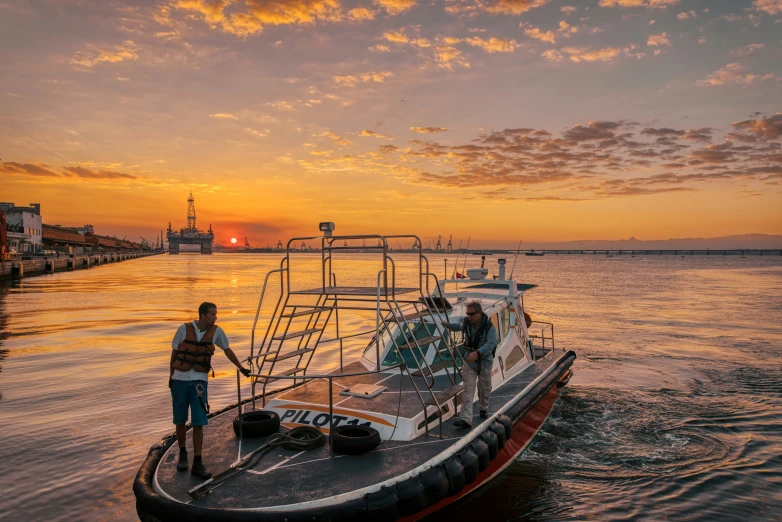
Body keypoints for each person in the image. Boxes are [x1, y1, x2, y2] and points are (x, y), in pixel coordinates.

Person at [170, 302, 251, 479]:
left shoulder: (217, 332)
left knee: (199, 421)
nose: (216, 317)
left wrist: (241, 367)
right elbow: (175, 353)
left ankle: (197, 462)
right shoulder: (183, 329)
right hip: (180, 381)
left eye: (216, 314)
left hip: (199, 382)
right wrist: (171, 377)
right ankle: (183, 454)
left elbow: (227, 350)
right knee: (180, 420)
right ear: (203, 315)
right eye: (213, 314)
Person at [441, 301, 497, 429]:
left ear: (479, 313)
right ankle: (466, 419)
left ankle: (483, 408)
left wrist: (478, 353)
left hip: (484, 362)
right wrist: (447, 325)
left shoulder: (489, 328)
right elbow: (458, 327)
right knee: (468, 390)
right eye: (467, 314)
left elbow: (491, 344)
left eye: (471, 314)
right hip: (469, 362)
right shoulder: (467, 323)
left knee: (484, 387)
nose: (469, 316)